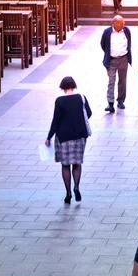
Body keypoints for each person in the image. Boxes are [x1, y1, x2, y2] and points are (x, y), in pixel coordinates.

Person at [45, 76, 92, 205]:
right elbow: (89, 113)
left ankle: (68, 193)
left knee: (65, 165)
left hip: (64, 136)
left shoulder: (59, 101)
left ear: (62, 87)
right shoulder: (81, 97)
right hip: (79, 136)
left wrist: (49, 136)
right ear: (74, 85)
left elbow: (56, 121)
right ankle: (76, 187)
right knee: (77, 163)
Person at [100, 15, 132, 113]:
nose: (123, 24)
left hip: (123, 58)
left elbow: (129, 43)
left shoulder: (126, 30)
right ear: (114, 23)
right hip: (111, 60)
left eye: (123, 23)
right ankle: (110, 103)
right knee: (111, 81)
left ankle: (121, 101)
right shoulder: (107, 32)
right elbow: (103, 44)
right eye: (121, 23)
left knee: (122, 81)